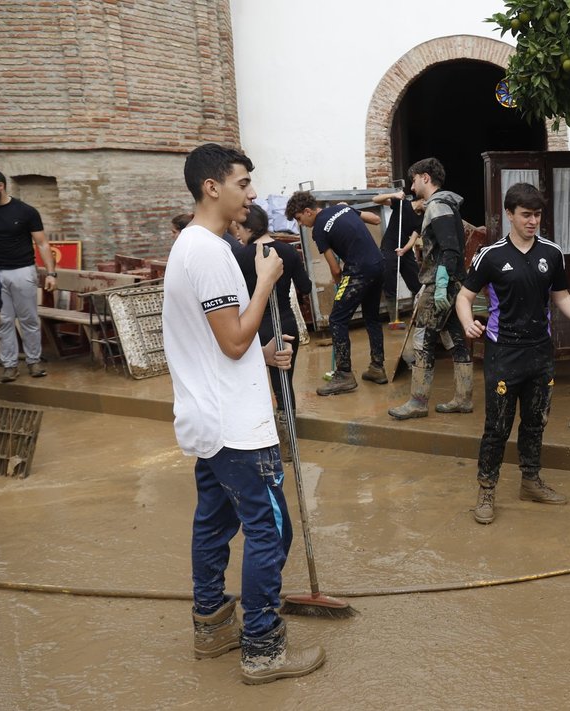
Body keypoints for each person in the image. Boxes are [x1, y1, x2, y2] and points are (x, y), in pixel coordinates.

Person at [162, 143, 324, 684]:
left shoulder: (191, 246)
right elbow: (231, 340)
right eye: (243, 182)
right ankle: (262, 646)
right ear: (213, 186)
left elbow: (221, 345)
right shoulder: (207, 253)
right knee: (270, 532)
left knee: (213, 522)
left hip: (210, 416)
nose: (252, 193)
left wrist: (262, 352)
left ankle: (211, 624)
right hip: (236, 424)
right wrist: (266, 282)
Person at [456, 183, 570, 524]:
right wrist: (468, 324)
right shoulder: (491, 255)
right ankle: (486, 489)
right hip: (503, 352)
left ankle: (530, 481)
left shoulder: (551, 253)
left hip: (540, 350)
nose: (532, 221)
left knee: (536, 421)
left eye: (537, 215)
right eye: (526, 215)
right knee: (497, 426)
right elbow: (464, 297)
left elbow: (561, 296)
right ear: (509, 215)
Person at [389, 157, 473, 419]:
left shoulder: (438, 206)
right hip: (452, 283)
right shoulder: (447, 205)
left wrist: (440, 285)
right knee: (455, 338)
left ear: (425, 177)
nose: (412, 187)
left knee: (423, 339)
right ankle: (463, 398)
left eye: (413, 180)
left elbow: (450, 248)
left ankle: (418, 402)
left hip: (440, 282)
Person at [231, 204, 312, 461]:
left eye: (239, 228)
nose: (237, 235)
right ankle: (288, 446)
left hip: (253, 325)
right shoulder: (287, 251)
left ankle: (258, 440)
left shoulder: (240, 256)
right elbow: (306, 288)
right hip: (285, 324)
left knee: (251, 384)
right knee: (283, 384)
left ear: (251, 228)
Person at [285, 190, 388, 395]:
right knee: (372, 317)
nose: (301, 224)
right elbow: (375, 219)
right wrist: (348, 209)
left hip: (358, 271)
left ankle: (344, 375)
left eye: (299, 219)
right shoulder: (341, 208)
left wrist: (341, 284)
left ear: (307, 211)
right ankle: (377, 367)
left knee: (337, 319)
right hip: (378, 265)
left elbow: (335, 269)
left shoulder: (319, 230)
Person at [0, 169, 56, 382]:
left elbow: (42, 243)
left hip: (22, 271)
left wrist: (51, 273)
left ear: (0, 186)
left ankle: (34, 361)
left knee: (28, 318)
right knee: (2, 321)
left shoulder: (25, 211)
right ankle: (10, 365)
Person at [373, 189, 424, 327]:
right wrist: (393, 195)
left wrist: (404, 250)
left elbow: (413, 238)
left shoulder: (422, 218)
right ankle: (394, 319)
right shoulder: (402, 203)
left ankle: (418, 316)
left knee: (416, 281)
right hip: (389, 246)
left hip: (404, 249)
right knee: (389, 279)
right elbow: (375, 199)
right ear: (422, 200)